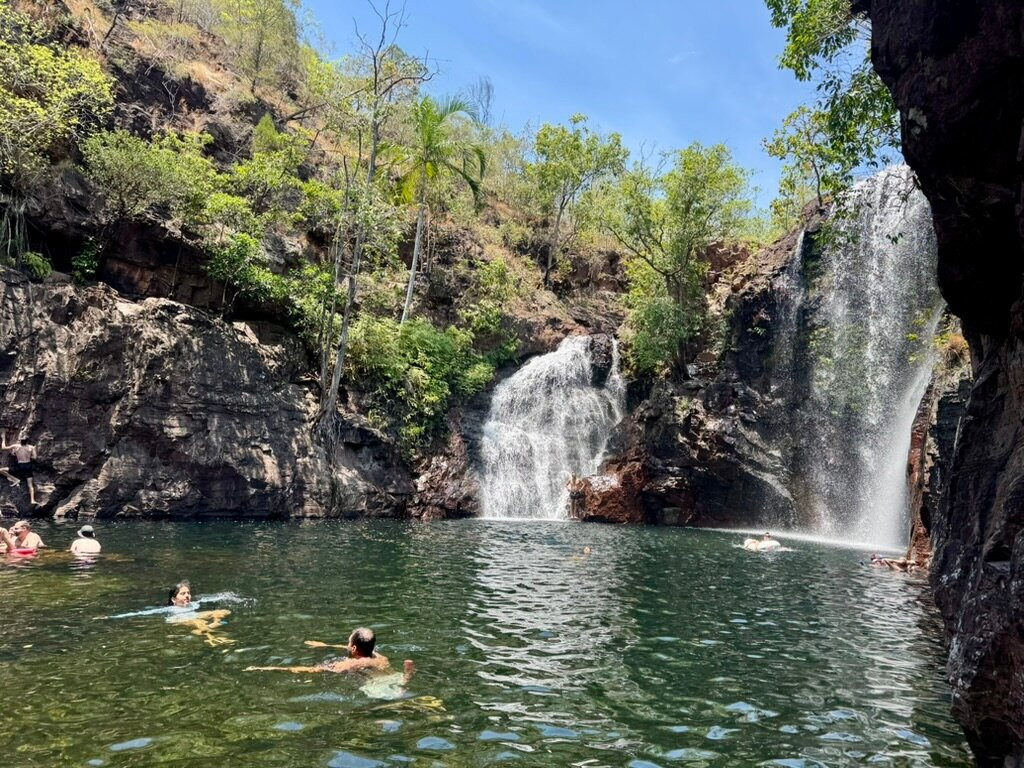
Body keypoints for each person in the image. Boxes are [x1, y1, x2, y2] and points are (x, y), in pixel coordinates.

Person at [246, 627, 415, 686]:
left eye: (348, 642)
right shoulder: (379, 657)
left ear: (354, 648)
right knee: (399, 685)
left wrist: (268, 668)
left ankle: (403, 686)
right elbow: (357, 649)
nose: (347, 644)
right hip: (393, 678)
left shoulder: (351, 664)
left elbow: (313, 670)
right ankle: (406, 677)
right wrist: (325, 645)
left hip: (380, 689)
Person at [164, 581, 234, 646]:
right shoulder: (170, 609)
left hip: (194, 616)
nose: (187, 595)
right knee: (199, 622)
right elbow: (158, 614)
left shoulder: (193, 604)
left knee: (223, 611)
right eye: (183, 594)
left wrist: (216, 620)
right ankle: (211, 638)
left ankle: (212, 625)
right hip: (178, 618)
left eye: (188, 593)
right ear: (173, 599)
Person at [0, 432, 40, 506]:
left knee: (1, 470)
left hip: (20, 466)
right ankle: (32, 500)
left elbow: (3, 447)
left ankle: (15, 479)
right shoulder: (31, 447)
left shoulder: (16, 446)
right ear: (27, 441)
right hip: (28, 466)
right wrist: (28, 455)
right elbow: (34, 457)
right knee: (30, 484)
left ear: (20, 441)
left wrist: (3, 438)